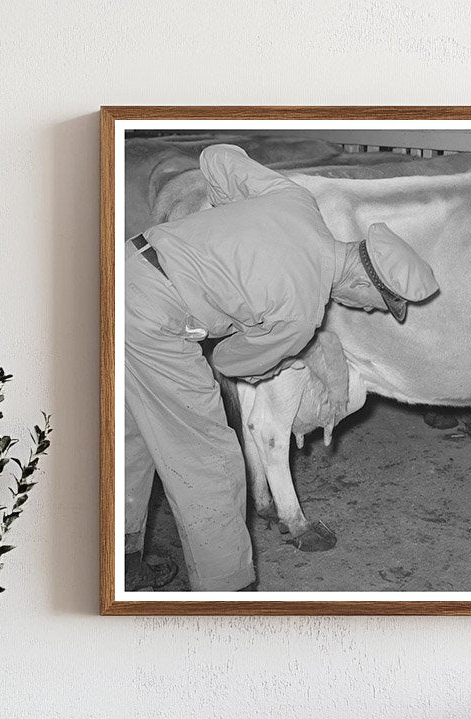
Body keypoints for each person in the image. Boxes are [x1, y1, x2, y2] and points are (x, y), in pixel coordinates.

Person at [124, 143, 439, 592]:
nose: (373, 312)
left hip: (122, 266)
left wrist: (234, 237)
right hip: (152, 319)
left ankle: (125, 557)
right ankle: (227, 594)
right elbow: (228, 361)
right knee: (209, 460)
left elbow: (216, 157)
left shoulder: (298, 204)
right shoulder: (302, 312)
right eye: (382, 304)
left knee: (137, 430)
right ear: (363, 281)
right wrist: (243, 327)